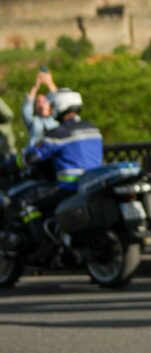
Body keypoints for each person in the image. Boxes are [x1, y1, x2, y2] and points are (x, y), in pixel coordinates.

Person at [12, 89, 103, 264]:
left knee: (24, 203)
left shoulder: (60, 133)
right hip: (90, 184)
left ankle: (43, 243)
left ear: (60, 106)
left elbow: (33, 156)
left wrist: (14, 162)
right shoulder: (93, 128)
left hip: (68, 187)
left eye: (53, 105)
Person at [21, 68, 58, 149]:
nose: (41, 102)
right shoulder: (33, 121)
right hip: (36, 155)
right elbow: (27, 106)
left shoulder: (56, 118)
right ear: (35, 108)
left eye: (44, 100)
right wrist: (35, 86)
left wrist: (49, 82)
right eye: (38, 101)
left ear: (50, 106)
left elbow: (58, 100)